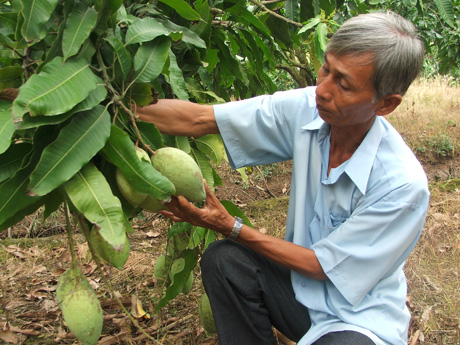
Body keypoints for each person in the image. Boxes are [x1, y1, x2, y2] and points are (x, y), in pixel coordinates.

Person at [135, 11, 429, 345]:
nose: (322, 89)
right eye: (326, 69)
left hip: (359, 319)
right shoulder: (307, 108)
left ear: (386, 104)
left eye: (343, 84)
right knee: (225, 261)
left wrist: (231, 226)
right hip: (299, 296)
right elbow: (199, 119)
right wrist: (118, 108)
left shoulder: (402, 186)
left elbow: (322, 266)